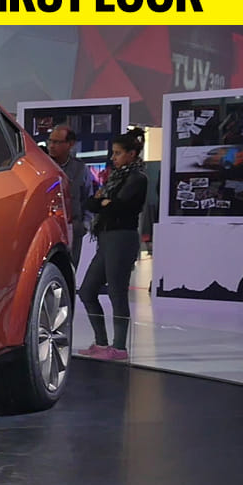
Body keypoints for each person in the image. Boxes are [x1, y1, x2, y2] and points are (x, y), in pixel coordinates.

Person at [77, 128, 149, 361]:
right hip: (106, 238)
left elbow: (116, 206)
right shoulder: (115, 178)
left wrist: (104, 202)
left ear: (131, 154)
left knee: (117, 293)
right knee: (87, 291)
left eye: (118, 153)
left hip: (122, 238)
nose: (113, 157)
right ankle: (101, 342)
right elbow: (93, 203)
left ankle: (119, 347)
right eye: (113, 153)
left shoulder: (137, 178)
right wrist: (104, 202)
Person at [46, 125, 90, 267]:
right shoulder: (43, 166)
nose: (51, 146)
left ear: (70, 144)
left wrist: (85, 225)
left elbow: (88, 198)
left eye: (57, 142)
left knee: (70, 268)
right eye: (50, 141)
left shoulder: (80, 169)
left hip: (73, 228)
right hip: (48, 229)